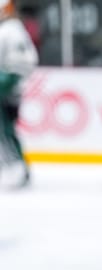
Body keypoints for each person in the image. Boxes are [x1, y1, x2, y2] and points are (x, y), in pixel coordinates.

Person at [0, 0, 37, 189]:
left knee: (5, 130)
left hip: (7, 87)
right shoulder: (11, 29)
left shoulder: (11, 30)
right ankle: (15, 167)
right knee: (6, 130)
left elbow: (25, 62)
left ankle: (16, 168)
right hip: (9, 86)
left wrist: (8, 80)